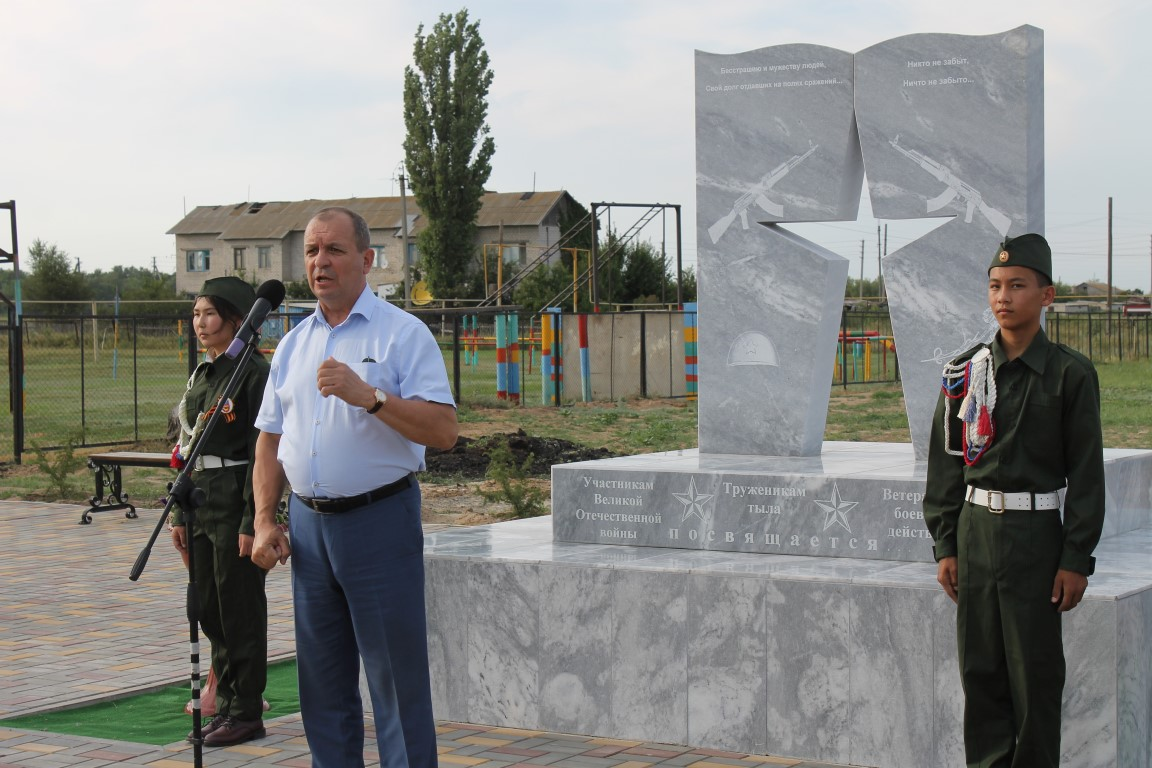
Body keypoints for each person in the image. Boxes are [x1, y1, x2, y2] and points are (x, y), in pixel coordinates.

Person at [250, 206, 458, 768]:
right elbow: (269, 441)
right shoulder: (292, 344)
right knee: (322, 686)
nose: (320, 262)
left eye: (334, 250)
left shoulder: (402, 334)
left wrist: (372, 397)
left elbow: (443, 431)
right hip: (310, 532)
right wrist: (267, 518)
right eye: (313, 251)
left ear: (367, 261)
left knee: (394, 684)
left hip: (378, 524)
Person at [924, 233, 1105, 768]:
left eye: (1018, 285)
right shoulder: (966, 373)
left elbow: (1087, 475)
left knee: (1035, 679)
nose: (1003, 297)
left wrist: (1076, 558)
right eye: (995, 286)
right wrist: (946, 545)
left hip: (1035, 540)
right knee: (981, 675)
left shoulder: (1070, 374)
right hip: (977, 533)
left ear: (1046, 296)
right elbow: (947, 465)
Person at [170, 276, 271, 747]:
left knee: (239, 609)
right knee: (209, 607)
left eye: (209, 314)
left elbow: (262, 451)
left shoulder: (251, 374)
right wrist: (177, 514)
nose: (199, 323)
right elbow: (186, 445)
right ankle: (226, 704)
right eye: (195, 314)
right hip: (201, 499)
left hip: (235, 499)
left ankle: (245, 710)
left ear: (236, 319)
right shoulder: (205, 375)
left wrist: (255, 521)